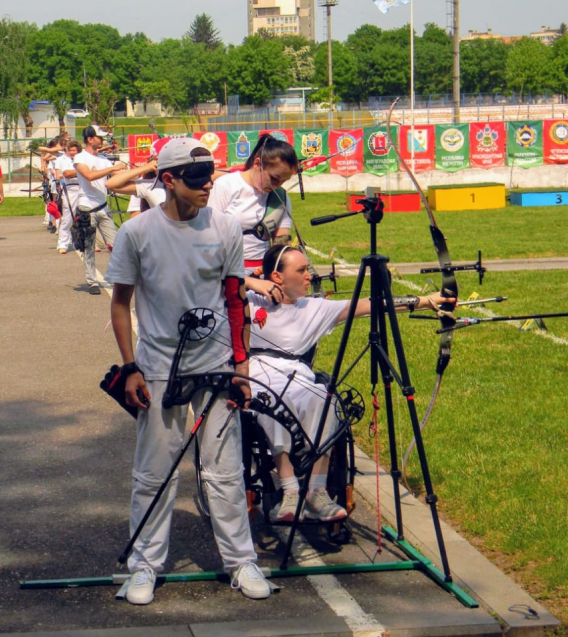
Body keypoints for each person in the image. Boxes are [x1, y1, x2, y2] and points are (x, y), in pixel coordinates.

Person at [106, 138, 272, 606]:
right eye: (195, 181)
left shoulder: (225, 227)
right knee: (154, 473)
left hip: (216, 368)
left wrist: (240, 367)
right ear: (168, 180)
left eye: (209, 177)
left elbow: (236, 300)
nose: (207, 188)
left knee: (225, 472)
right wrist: (131, 367)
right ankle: (144, 565)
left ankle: (242, 561)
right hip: (158, 368)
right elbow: (120, 304)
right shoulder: (137, 233)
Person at [248, 245, 448, 523]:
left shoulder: (314, 307)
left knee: (326, 397)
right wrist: (250, 280)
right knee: (271, 401)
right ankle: (290, 490)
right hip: (258, 374)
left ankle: (316, 491)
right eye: (302, 270)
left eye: (308, 270)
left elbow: (372, 305)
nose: (309, 276)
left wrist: (430, 299)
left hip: (298, 375)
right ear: (277, 277)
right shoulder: (250, 300)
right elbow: (212, 280)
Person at [207, 134, 298, 303]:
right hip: (225, 274)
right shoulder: (226, 185)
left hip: (263, 277)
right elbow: (210, 239)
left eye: (283, 181)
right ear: (257, 164)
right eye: (274, 178)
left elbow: (281, 243)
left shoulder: (280, 197)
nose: (276, 186)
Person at [73, 125, 126, 295]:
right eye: (99, 137)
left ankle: (122, 278)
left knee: (117, 244)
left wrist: (135, 173)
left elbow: (116, 179)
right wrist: (113, 168)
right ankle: (92, 282)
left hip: (103, 208)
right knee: (88, 246)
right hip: (86, 208)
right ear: (90, 139)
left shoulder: (103, 159)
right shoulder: (80, 157)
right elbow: (88, 176)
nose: (102, 140)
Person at [54, 140, 81, 254]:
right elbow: (60, 175)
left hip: (82, 187)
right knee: (68, 217)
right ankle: (62, 244)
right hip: (69, 189)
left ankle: (88, 242)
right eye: (70, 150)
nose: (72, 152)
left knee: (86, 217)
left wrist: (73, 173)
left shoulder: (82, 159)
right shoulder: (61, 160)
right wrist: (78, 172)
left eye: (74, 150)